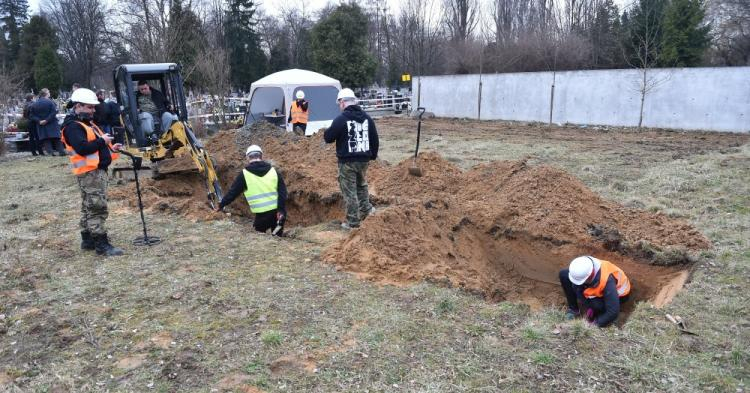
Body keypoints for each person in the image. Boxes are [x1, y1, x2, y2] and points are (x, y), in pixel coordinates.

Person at [60, 88, 125, 256]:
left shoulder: (87, 124)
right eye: (90, 107)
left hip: (95, 172)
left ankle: (87, 240)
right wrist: (102, 141)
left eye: (93, 107)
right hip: (90, 173)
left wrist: (112, 147)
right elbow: (83, 149)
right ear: (78, 106)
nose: (93, 110)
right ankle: (101, 244)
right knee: (97, 207)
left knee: (88, 206)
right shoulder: (73, 127)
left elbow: (96, 146)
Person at [323, 88, 379, 230]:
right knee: (361, 185)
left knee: (349, 191)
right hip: (364, 159)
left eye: (339, 103)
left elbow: (328, 138)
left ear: (342, 102)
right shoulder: (367, 118)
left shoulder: (341, 119)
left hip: (347, 161)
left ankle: (353, 222)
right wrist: (372, 155)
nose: (339, 107)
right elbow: (374, 138)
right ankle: (367, 210)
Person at [216, 145, 288, 236]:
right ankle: (276, 235)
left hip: (262, 217)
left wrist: (221, 205)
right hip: (278, 215)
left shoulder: (244, 174)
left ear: (248, 158)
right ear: (261, 156)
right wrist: (281, 210)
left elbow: (232, 193)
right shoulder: (274, 171)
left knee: (258, 237)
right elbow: (283, 193)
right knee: (277, 238)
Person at [559, 255, 632, 327]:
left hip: (619, 295)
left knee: (596, 305)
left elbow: (613, 312)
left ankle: (598, 313)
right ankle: (574, 309)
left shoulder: (606, 281)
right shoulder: (584, 264)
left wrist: (595, 324)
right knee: (564, 275)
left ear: (591, 274)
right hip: (600, 287)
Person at [29, 88, 65, 156]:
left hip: (41, 124)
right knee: (57, 138)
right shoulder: (51, 102)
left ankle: (50, 153)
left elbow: (31, 115)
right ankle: (61, 151)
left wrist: (39, 121)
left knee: (46, 139)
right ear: (46, 93)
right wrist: (47, 120)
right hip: (51, 122)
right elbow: (54, 112)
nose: (49, 93)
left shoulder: (34, 104)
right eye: (48, 92)